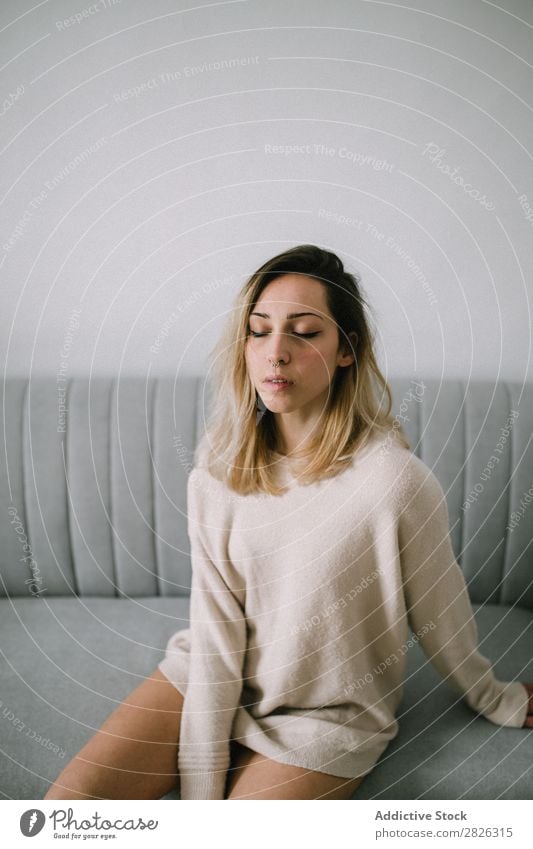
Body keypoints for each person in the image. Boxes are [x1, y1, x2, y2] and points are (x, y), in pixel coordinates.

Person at [44, 244, 533, 801]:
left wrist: (494, 696)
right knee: (63, 817)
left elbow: (441, 612)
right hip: (206, 676)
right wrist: (202, 794)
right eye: (259, 330)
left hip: (327, 716)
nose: (276, 352)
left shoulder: (395, 482)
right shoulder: (217, 471)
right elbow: (217, 631)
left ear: (347, 350)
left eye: (304, 332)